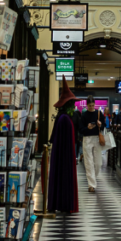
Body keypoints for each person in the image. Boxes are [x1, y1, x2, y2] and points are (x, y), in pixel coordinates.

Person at [47, 81, 79, 213]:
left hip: (63, 157)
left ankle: (61, 202)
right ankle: (65, 203)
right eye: (72, 104)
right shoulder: (65, 119)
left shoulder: (63, 118)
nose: (74, 107)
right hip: (65, 158)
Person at [78, 96, 105, 193]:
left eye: (93, 105)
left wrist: (100, 125)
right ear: (86, 105)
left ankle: (93, 178)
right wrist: (87, 128)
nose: (91, 107)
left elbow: (104, 125)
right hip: (87, 139)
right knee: (88, 162)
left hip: (97, 138)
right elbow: (80, 129)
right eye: (90, 106)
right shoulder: (84, 115)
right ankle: (91, 185)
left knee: (98, 163)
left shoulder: (98, 113)